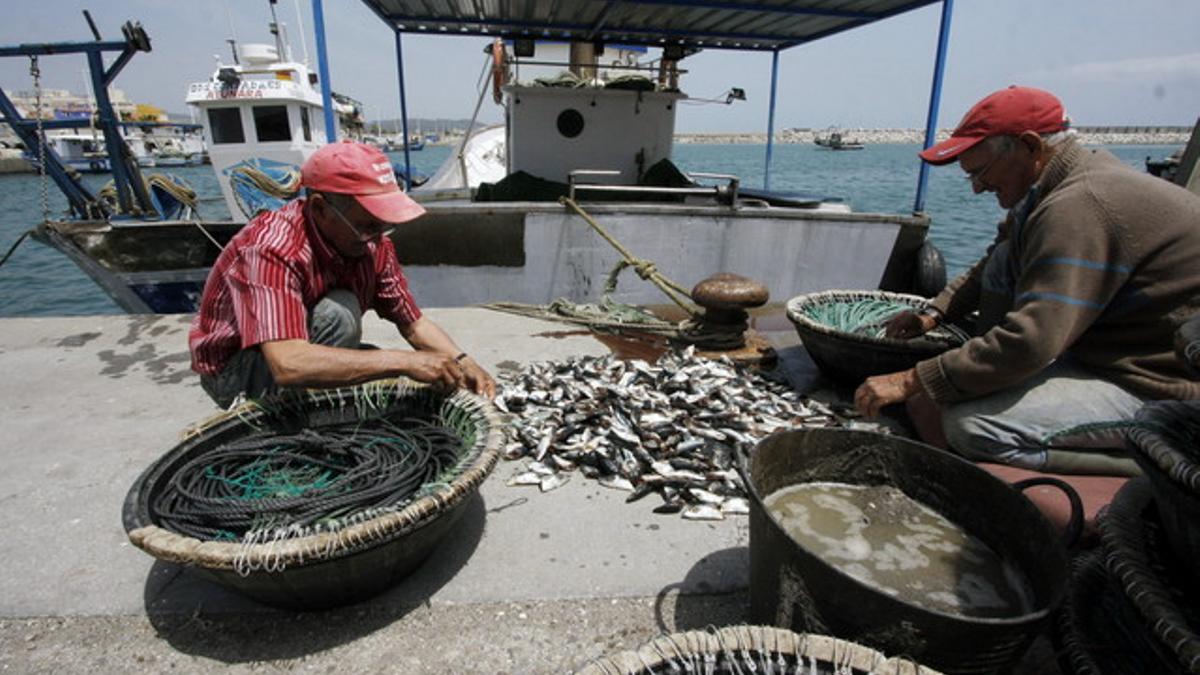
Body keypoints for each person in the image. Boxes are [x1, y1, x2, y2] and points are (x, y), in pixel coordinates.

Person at [854, 85, 1200, 474]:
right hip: (1099, 348)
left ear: (1030, 146)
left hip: (1157, 385)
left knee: (970, 425)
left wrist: (912, 379)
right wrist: (933, 314)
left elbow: (1033, 342)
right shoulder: (1049, 190)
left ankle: (1160, 460)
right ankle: (988, 368)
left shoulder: (1079, 206)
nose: (977, 187)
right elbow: (991, 265)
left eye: (980, 172)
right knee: (1003, 261)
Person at [189, 141, 496, 408]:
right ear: (320, 208)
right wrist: (404, 361)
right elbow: (287, 363)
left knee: (399, 368)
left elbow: (413, 323)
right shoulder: (271, 247)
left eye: (383, 225)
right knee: (338, 315)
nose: (377, 237)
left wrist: (462, 360)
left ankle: (319, 400)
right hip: (235, 370)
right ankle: (292, 414)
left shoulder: (374, 243)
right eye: (366, 225)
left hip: (299, 346)